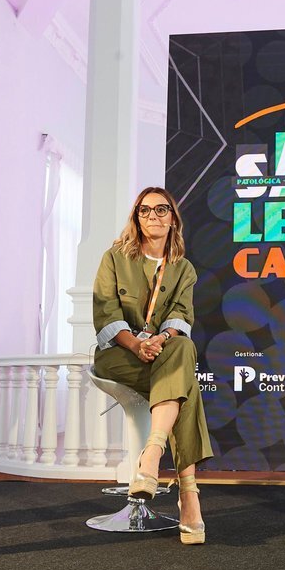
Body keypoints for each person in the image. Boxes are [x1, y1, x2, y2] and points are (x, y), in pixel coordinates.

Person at [93, 187, 213, 544]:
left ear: (173, 218)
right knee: (183, 381)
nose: (153, 216)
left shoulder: (183, 268)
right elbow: (105, 313)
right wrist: (136, 344)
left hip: (162, 352)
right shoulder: (115, 258)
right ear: (136, 217)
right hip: (118, 354)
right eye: (144, 210)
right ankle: (188, 494)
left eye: (161, 209)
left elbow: (181, 316)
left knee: (181, 348)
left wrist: (159, 340)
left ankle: (151, 458)